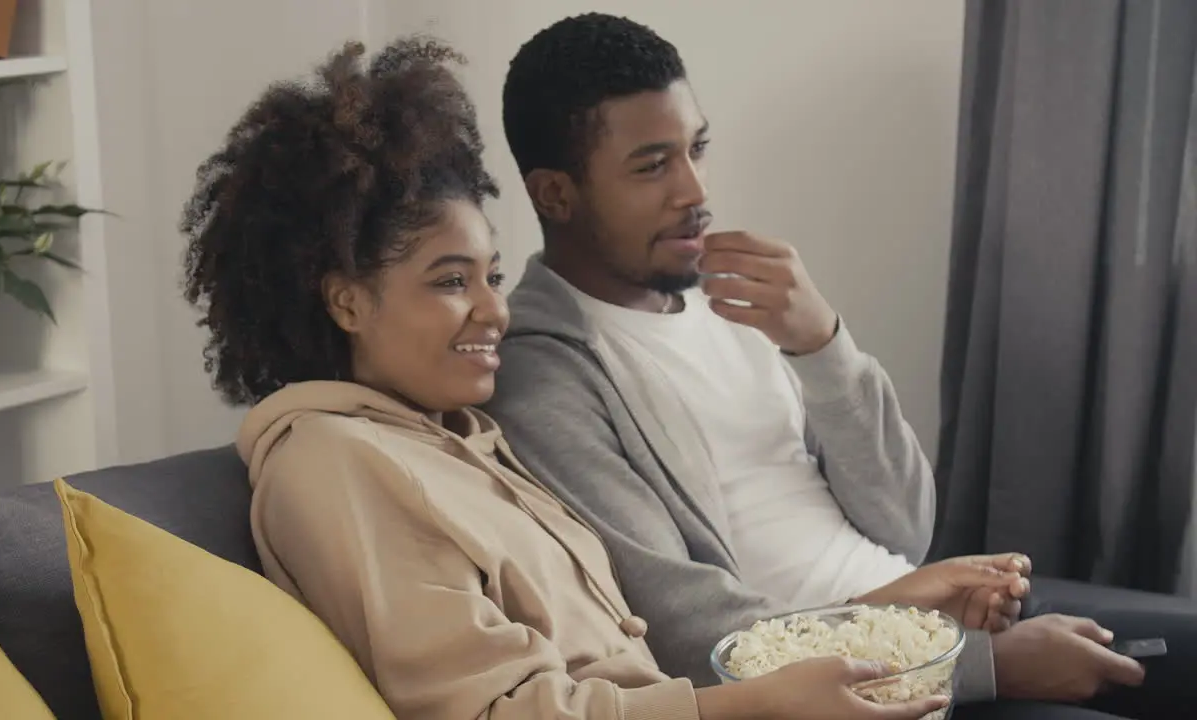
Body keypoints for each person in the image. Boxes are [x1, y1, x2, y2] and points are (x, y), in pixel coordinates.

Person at [181, 37, 1032, 720]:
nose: (493, 312)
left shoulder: (459, 443)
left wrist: (893, 605)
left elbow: (610, 659)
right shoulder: (335, 462)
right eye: (450, 282)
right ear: (346, 301)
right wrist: (762, 700)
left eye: (489, 276)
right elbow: (503, 706)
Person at [484, 12, 1195, 720]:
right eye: (652, 166)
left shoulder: (735, 300)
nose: (695, 191)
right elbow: (688, 632)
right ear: (555, 193)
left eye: (697, 148)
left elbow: (907, 525)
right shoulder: (545, 379)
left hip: (931, 621)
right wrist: (984, 667)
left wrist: (822, 346)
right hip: (866, 687)